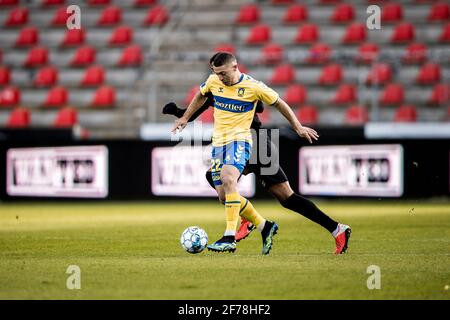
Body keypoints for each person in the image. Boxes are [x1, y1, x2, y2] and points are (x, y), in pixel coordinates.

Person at [167, 52, 352, 255]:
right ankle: (255, 221)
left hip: (255, 143)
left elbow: (269, 104)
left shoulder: (250, 88)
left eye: (222, 73)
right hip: (230, 144)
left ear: (234, 68)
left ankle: (336, 229)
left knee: (286, 197)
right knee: (219, 183)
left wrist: (297, 127)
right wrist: (181, 114)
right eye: (216, 73)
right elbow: (202, 102)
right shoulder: (215, 84)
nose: (219, 77)